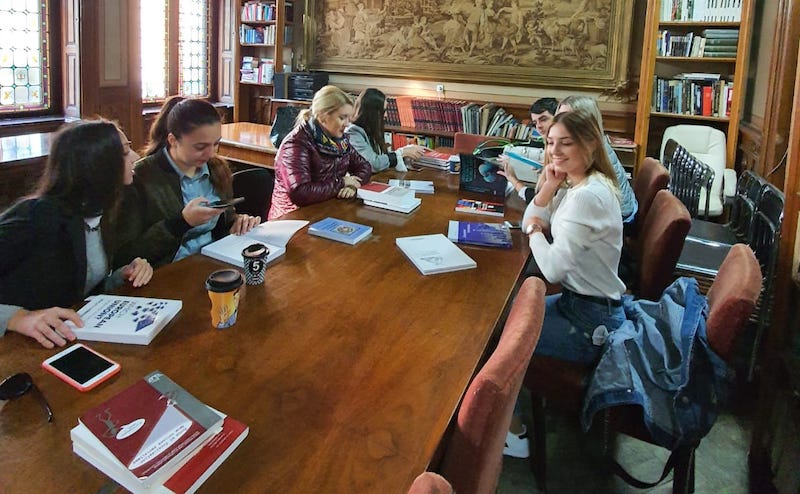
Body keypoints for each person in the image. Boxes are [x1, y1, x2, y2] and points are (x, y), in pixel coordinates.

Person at [504, 109, 627, 459]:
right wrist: (548, 188)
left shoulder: (587, 196)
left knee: (501, 342)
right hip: (582, 305)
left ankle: (513, 434)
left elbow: (553, 268)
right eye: (550, 143)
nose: (554, 152)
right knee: (506, 319)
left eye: (565, 143)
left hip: (590, 321)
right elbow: (531, 217)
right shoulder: (580, 183)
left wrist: (535, 232)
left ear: (589, 144)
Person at [0, 120, 153, 349]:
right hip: (17, 347)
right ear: (97, 165)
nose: (135, 157)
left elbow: (76, 286)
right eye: (124, 152)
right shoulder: (36, 215)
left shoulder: (100, 211)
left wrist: (121, 276)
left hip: (64, 337)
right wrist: (17, 318)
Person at [114, 96, 260, 268]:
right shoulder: (140, 177)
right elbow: (125, 255)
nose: (210, 154)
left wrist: (237, 221)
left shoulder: (216, 168)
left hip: (214, 260)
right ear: (173, 140)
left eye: (215, 144)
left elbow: (225, 219)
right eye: (200, 147)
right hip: (167, 271)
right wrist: (182, 222)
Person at [269, 85, 372, 219]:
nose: (347, 124)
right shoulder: (295, 144)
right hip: (291, 218)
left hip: (325, 210)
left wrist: (351, 187)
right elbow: (300, 193)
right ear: (323, 117)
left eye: (348, 118)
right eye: (342, 118)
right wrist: (341, 183)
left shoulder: (339, 140)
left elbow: (364, 166)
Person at [555, 95, 637, 223]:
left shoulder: (591, 149)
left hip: (620, 219)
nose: (561, 123)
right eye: (560, 117)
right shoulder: (589, 141)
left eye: (569, 118)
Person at [345, 88, 427, 173]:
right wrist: (401, 153)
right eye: (383, 111)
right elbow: (373, 164)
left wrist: (404, 154)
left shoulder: (370, 129)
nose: (386, 115)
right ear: (371, 112)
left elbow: (380, 157)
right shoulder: (353, 133)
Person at [501, 97, 558, 201]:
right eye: (535, 123)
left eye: (543, 119)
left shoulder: (560, 152)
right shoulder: (548, 146)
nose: (538, 126)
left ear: (558, 118)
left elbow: (539, 200)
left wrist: (513, 179)